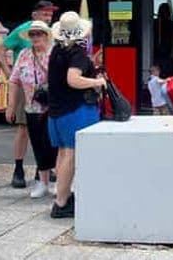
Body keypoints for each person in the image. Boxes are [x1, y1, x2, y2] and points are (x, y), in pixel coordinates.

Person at [47, 11, 104, 218]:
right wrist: (96, 82)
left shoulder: (56, 51)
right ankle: (61, 203)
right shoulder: (78, 54)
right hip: (75, 110)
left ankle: (61, 196)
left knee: (63, 153)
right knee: (70, 154)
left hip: (56, 111)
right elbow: (73, 79)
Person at [0, 0, 58, 189]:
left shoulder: (52, 33)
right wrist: (10, 74)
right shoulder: (22, 31)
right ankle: (19, 169)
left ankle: (44, 170)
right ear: (34, 15)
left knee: (48, 130)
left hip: (48, 91)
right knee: (24, 128)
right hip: (27, 87)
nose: (48, 17)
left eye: (50, 14)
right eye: (45, 14)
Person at [6, 21, 57, 199]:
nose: (35, 37)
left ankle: (55, 180)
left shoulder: (53, 53)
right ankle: (42, 182)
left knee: (53, 144)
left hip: (52, 108)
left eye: (39, 34)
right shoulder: (24, 54)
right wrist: (11, 105)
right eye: (33, 35)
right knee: (38, 145)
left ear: (46, 35)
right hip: (31, 107)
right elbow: (13, 80)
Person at [153, 2, 173, 76]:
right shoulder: (169, 23)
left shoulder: (155, 23)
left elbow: (172, 39)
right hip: (163, 50)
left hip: (161, 50)